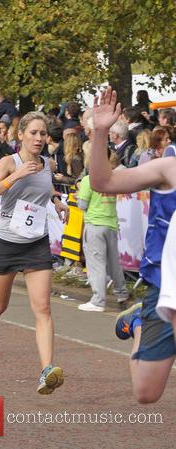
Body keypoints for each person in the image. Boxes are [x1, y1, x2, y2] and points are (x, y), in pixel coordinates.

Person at [89, 86, 176, 404]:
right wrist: (100, 132)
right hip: (167, 286)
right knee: (146, 391)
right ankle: (137, 321)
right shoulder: (168, 168)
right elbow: (103, 183)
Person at [0, 111, 69, 394]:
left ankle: (46, 370)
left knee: (42, 307)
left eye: (43, 134)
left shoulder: (47, 163)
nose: (39, 138)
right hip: (6, 243)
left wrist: (56, 201)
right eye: (33, 133)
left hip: (36, 242)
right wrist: (15, 176)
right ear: (21, 135)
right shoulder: (8, 162)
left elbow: (45, 187)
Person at [77, 151, 128, 312]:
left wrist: (79, 194)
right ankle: (122, 294)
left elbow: (82, 205)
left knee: (96, 264)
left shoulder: (88, 180)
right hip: (111, 223)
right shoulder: (112, 177)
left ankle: (98, 300)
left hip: (94, 224)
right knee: (114, 264)